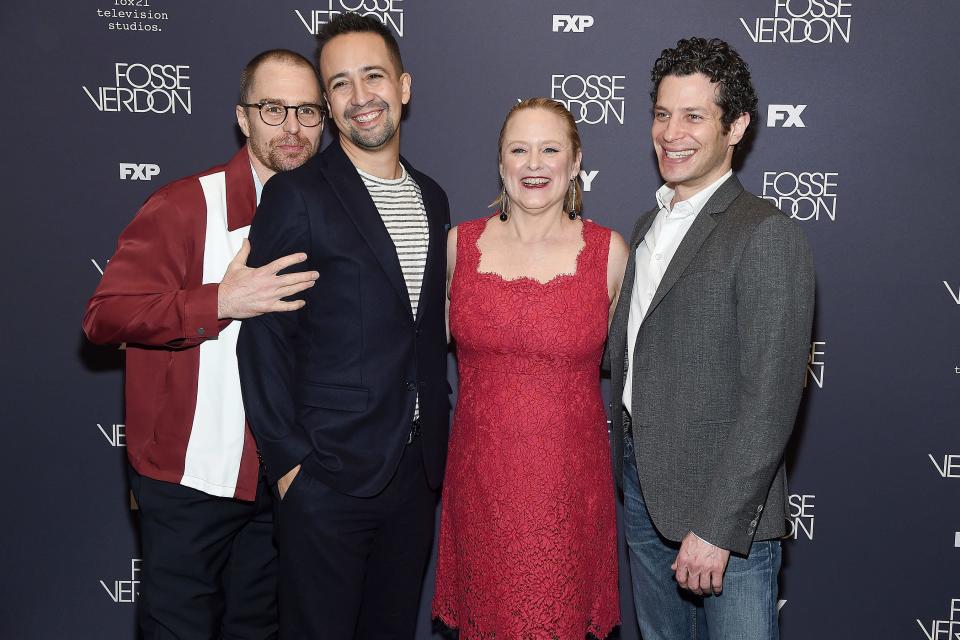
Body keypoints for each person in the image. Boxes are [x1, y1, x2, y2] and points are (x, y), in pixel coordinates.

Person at [82, 49, 324, 639]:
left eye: (308, 112)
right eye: (273, 109)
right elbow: (104, 317)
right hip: (188, 481)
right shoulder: (185, 205)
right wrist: (218, 301)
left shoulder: (334, 212)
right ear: (243, 118)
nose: (292, 128)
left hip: (283, 483)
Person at [236, 12, 451, 640]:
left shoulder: (432, 197)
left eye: (374, 77)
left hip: (414, 474)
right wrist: (290, 468)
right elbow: (265, 335)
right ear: (328, 104)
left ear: (404, 87)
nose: (360, 98)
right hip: (326, 476)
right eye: (340, 84)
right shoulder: (296, 194)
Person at [607, 37, 815, 640]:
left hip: (727, 520)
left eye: (694, 115)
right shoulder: (646, 226)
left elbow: (771, 401)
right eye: (663, 113)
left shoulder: (767, 235)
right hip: (645, 493)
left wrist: (718, 527)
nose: (673, 132)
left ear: (737, 127)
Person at [432, 97, 628, 639]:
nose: (534, 164)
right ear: (501, 163)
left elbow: (652, 372)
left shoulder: (610, 253)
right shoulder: (457, 247)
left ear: (575, 161)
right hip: (482, 489)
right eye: (519, 150)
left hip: (568, 492)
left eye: (550, 149)